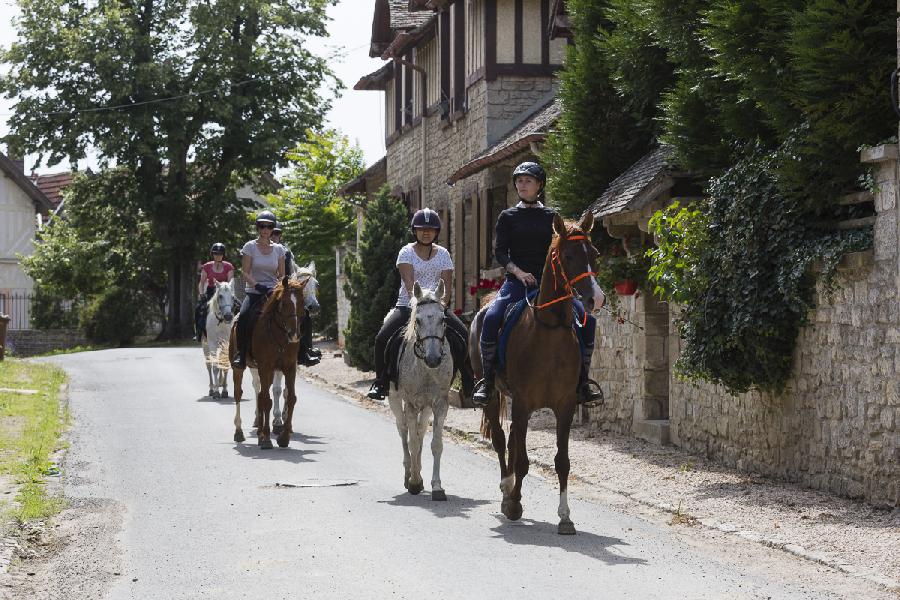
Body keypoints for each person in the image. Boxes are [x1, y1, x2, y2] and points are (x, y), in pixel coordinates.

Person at [471, 161, 604, 407]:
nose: (522, 185)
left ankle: (583, 382)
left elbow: (564, 251)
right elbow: (500, 253)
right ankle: (488, 381)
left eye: (528, 181)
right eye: (519, 180)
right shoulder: (507, 216)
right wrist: (518, 272)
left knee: (588, 320)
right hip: (515, 282)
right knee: (489, 317)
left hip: (549, 284)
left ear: (539, 186)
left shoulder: (552, 218)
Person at [367, 208, 475, 401]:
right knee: (382, 338)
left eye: (431, 229)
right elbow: (410, 286)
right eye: (421, 229)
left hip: (436, 306)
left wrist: (439, 306)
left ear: (436, 232)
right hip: (408, 306)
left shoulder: (443, 254)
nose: (426, 232)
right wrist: (419, 306)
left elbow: (447, 287)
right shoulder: (406, 252)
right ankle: (381, 382)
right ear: (414, 231)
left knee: (464, 335)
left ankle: (469, 383)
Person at [231, 210, 286, 369]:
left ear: (272, 228)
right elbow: (245, 273)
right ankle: (241, 354)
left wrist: (276, 287)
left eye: (269, 226)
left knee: (297, 312)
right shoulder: (249, 247)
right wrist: (257, 285)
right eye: (262, 226)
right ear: (258, 227)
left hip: (273, 291)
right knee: (244, 316)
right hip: (254, 291)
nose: (265, 229)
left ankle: (303, 351)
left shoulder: (279, 249)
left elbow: (282, 275)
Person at [271, 223, 321, 367]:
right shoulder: (258, 249)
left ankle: (305, 351)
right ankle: (242, 351)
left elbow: (293, 273)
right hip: (265, 289)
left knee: (304, 314)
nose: (274, 236)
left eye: (277, 233)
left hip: (285, 290)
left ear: (281, 235)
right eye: (271, 232)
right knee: (245, 313)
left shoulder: (287, 253)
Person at [194, 243, 234, 341]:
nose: (218, 255)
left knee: (240, 307)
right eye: (215, 253)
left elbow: (230, 282)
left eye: (220, 254)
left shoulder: (229, 266)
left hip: (224, 292)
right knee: (199, 308)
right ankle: (198, 332)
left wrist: (229, 293)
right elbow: (201, 282)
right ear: (212, 254)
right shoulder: (207, 266)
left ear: (223, 254)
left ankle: (238, 332)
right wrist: (202, 294)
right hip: (211, 291)